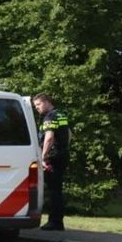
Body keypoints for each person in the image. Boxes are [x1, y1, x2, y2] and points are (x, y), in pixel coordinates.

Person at [33, 93, 70, 231]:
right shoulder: (61, 114)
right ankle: (57, 221)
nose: (37, 108)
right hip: (61, 154)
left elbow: (49, 137)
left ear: (47, 102)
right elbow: (69, 133)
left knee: (53, 191)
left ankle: (54, 222)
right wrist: (64, 147)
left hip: (52, 158)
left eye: (38, 104)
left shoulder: (49, 117)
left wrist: (43, 157)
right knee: (57, 190)